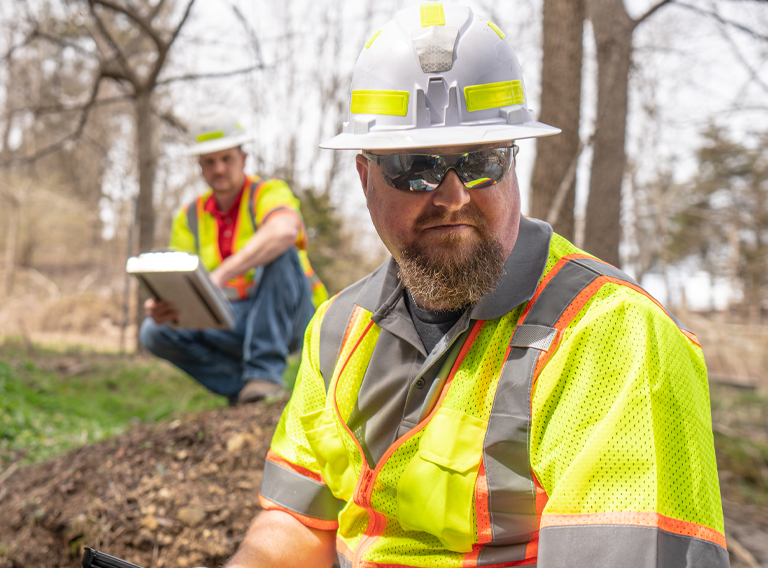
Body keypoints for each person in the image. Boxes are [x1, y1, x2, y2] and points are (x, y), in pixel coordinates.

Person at [226, 4, 728, 567]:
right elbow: (294, 524)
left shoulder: (610, 337)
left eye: (481, 160)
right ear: (365, 178)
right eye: (415, 166)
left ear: (513, 162)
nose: (453, 195)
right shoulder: (338, 332)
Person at [140, 111, 328, 405]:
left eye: (226, 158)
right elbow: (179, 278)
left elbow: (284, 232)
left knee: (280, 252)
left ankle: (264, 374)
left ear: (243, 158)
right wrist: (166, 303)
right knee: (154, 332)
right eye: (209, 162)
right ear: (200, 167)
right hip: (230, 320)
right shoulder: (188, 217)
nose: (219, 168)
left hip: (293, 318)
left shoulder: (269, 192)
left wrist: (218, 276)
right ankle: (245, 390)